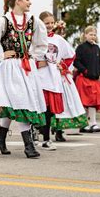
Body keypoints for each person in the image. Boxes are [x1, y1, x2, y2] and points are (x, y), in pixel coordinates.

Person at [0, 0, 48, 158]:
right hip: (9, 68)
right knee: (20, 102)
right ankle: (28, 145)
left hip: (26, 67)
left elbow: (42, 43)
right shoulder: (3, 22)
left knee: (16, 104)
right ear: (18, 1)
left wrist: (32, 54)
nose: (30, 3)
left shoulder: (33, 21)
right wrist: (0, 54)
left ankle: (1, 138)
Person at [74, 26, 100, 133]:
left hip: (94, 80)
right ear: (85, 35)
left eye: (94, 34)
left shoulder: (97, 48)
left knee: (93, 102)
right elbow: (76, 61)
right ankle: (84, 124)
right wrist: (84, 70)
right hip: (84, 79)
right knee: (85, 103)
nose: (93, 36)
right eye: (90, 34)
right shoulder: (81, 48)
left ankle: (93, 123)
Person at [37, 11, 65, 150]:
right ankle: (36, 133)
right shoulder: (35, 38)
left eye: (51, 23)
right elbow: (27, 57)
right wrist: (37, 64)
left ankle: (46, 139)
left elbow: (70, 54)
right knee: (39, 109)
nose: (49, 25)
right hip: (39, 78)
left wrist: (61, 65)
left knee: (49, 110)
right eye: (46, 23)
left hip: (52, 79)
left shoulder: (58, 39)